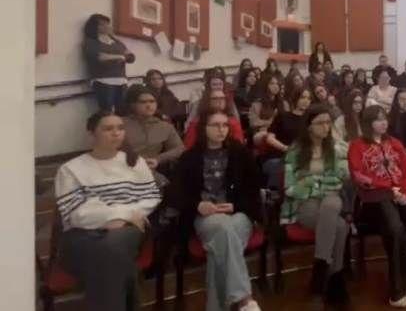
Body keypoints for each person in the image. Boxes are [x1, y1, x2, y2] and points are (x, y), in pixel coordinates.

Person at [54, 111, 161, 311]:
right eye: (108, 129)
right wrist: (122, 214)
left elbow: (150, 198)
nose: (116, 133)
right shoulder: (70, 169)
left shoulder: (135, 162)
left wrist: (116, 217)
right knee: (110, 255)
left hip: (129, 229)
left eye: (120, 128)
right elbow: (76, 213)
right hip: (83, 234)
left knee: (111, 246)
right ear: (91, 133)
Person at [169, 110, 263, 311]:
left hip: (238, 214)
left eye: (225, 125)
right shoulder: (190, 157)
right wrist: (198, 205)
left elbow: (254, 189)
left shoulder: (240, 153)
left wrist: (236, 206)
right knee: (222, 229)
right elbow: (175, 194)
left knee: (221, 244)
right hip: (206, 216)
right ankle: (244, 299)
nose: (222, 130)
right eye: (216, 125)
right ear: (204, 128)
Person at [348, 106, 406, 307]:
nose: (383, 123)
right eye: (378, 120)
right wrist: (390, 190)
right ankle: (398, 289)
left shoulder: (395, 143)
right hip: (375, 196)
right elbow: (359, 176)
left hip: (402, 192)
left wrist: (405, 193)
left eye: (385, 119)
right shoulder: (356, 146)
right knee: (395, 229)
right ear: (368, 123)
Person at [282, 104, 350, 304]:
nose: (326, 127)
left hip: (331, 199)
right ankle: (336, 279)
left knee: (330, 204)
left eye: (328, 122)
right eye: (321, 123)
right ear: (309, 126)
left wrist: (310, 181)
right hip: (305, 204)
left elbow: (338, 181)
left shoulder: (335, 148)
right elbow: (290, 187)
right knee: (340, 226)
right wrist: (319, 186)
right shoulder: (296, 150)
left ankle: (320, 271)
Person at [122, 85, 184, 184]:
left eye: (152, 101)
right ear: (132, 105)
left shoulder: (164, 126)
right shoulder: (120, 124)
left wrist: (158, 159)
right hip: (123, 171)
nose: (149, 105)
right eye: (143, 102)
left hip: (151, 172)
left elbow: (179, 148)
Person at [82, 13, 136, 112]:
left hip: (122, 80)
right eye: (102, 24)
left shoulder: (117, 42)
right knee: (107, 111)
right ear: (95, 26)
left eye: (107, 23)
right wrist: (120, 56)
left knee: (123, 111)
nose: (106, 26)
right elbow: (99, 57)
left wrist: (123, 57)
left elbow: (131, 57)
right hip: (103, 81)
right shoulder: (91, 42)